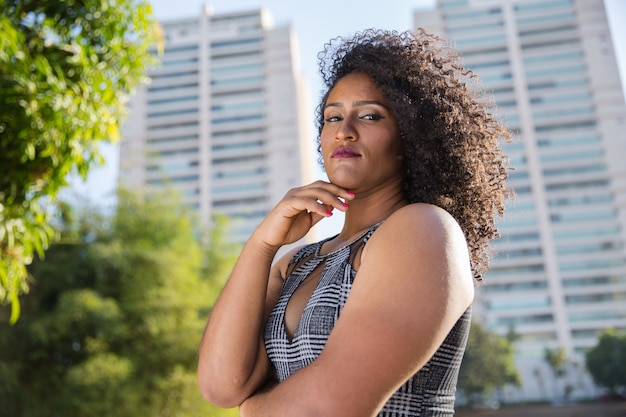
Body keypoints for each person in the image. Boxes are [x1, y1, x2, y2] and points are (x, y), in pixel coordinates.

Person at [197, 28, 511, 417]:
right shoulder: (297, 262)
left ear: (409, 137)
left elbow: (330, 407)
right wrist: (262, 246)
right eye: (333, 117)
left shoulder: (424, 230)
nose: (344, 129)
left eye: (369, 115)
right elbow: (220, 385)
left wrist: (251, 410)